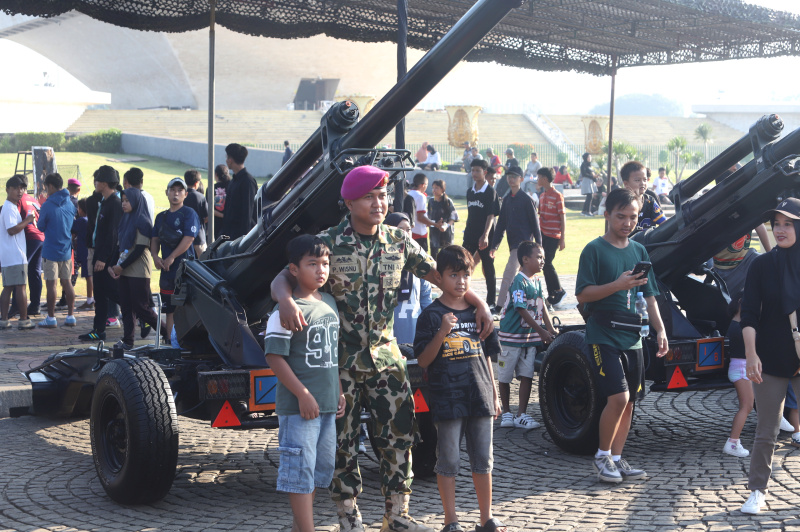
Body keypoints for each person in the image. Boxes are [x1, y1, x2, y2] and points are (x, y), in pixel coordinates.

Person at [272, 165, 493, 532]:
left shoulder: (399, 241)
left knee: (398, 438)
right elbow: (286, 274)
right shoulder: (330, 242)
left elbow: (443, 277)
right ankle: (349, 517)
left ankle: (397, 516)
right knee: (343, 443)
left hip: (387, 359)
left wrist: (480, 303)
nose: (379, 203)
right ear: (349, 202)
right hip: (340, 362)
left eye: (383, 195)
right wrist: (285, 300)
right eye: (369, 197)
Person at [576, 187, 669, 483]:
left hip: (633, 335)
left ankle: (616, 459)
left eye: (633, 217)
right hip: (602, 333)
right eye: (621, 216)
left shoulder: (639, 250)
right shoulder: (593, 249)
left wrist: (660, 330)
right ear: (607, 215)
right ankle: (602, 457)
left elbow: (650, 295)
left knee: (630, 402)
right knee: (618, 397)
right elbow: (582, 295)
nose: (627, 223)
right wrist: (617, 285)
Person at [414, 244, 505, 532]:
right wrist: (442, 331)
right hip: (447, 399)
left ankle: (486, 518)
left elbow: (487, 356)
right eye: (453, 275)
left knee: (483, 459)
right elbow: (423, 359)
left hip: (479, 396)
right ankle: (450, 520)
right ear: (439, 277)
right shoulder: (431, 315)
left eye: (466, 274)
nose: (461, 281)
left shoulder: (479, 313)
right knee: (449, 460)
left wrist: (494, 392)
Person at [263, 234, 345, 532]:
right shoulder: (286, 310)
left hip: (326, 406)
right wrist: (302, 394)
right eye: (312, 264)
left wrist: (337, 389)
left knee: (313, 474)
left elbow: (333, 353)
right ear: (293, 270)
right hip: (299, 408)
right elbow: (274, 357)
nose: (321, 270)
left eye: (325, 263)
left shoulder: (331, 303)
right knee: (298, 473)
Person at [739, 198, 800, 514]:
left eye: (788, 223)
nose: (780, 229)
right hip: (771, 358)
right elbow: (748, 315)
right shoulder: (762, 266)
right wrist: (751, 355)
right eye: (777, 224)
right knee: (767, 431)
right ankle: (757, 491)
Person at [497, 241, 556, 433]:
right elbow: (520, 309)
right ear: (525, 259)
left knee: (527, 374)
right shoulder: (518, 281)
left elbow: (542, 306)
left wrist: (550, 328)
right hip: (511, 337)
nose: (542, 261)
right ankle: (506, 411)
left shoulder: (537, 281)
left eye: (543, 258)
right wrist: (541, 331)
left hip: (529, 339)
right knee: (505, 377)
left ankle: (521, 414)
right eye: (538, 257)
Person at [106, 188, 161, 349]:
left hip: (138, 271)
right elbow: (119, 246)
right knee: (126, 307)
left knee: (142, 308)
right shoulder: (125, 220)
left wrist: (120, 267)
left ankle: (166, 332)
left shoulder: (143, 221)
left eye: (127, 200)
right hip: (124, 270)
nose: (123, 203)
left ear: (136, 201)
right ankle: (128, 340)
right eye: (122, 200)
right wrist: (112, 264)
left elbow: (139, 248)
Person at [151, 177, 199, 341]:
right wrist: (155, 256)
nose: (176, 193)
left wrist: (171, 257)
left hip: (185, 270)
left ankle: (185, 342)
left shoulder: (189, 213)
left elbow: (189, 238)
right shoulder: (161, 217)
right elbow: (155, 239)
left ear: (185, 194)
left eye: (179, 190)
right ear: (167, 192)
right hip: (167, 271)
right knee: (169, 309)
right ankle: (171, 342)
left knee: (185, 307)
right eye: (172, 190)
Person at [78, 166, 123, 342]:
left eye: (97, 181)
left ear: (103, 183)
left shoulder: (115, 203)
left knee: (112, 291)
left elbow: (112, 234)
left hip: (108, 256)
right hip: (99, 253)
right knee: (100, 294)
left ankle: (141, 314)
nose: (94, 183)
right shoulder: (104, 202)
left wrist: (103, 259)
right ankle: (98, 330)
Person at [490, 166, 542, 313]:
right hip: (513, 245)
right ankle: (523, 305)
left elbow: (535, 224)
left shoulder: (527, 200)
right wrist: (495, 245)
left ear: (521, 179)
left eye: (514, 176)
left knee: (509, 274)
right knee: (522, 279)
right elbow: (501, 225)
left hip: (524, 246)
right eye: (509, 176)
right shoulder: (506, 200)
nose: (511, 179)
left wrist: (539, 247)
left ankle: (499, 306)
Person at [385, 213, 433, 345]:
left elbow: (425, 299)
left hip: (413, 330)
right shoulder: (377, 263)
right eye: (400, 230)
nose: (405, 234)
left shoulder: (420, 262)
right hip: (387, 335)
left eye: (408, 230)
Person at [37, 173, 77, 328]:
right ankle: (71, 316)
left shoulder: (47, 205)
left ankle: (51, 318)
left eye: (47, 187)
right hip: (66, 249)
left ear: (51, 186)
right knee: (67, 283)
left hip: (50, 250)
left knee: (51, 284)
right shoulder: (70, 203)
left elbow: (40, 226)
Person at [0, 175, 36, 330]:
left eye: (22, 188)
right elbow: (12, 229)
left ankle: (4, 319)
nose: (19, 191)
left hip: (9, 254)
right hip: (15, 254)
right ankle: (23, 319)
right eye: (15, 188)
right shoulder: (9, 207)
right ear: (8, 189)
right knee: (20, 287)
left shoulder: (11, 206)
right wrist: (28, 220)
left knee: (8, 287)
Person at [464, 159, 498, 309]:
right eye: (473, 171)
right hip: (470, 234)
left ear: (484, 172)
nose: (475, 174)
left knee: (488, 267)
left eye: (478, 170)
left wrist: (485, 235)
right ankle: (463, 295)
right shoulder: (470, 191)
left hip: (485, 236)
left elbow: (491, 215)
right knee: (462, 263)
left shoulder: (490, 191)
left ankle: (491, 302)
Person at [723, 291, 753, 458]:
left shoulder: (736, 323)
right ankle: (733, 442)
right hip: (741, 369)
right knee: (746, 406)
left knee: (752, 404)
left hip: (742, 367)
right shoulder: (739, 327)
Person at [537, 167, 567, 306]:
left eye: (538, 177)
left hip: (553, 235)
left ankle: (558, 290)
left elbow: (562, 217)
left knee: (547, 262)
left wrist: (562, 239)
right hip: (543, 235)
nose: (537, 180)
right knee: (544, 264)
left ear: (544, 178)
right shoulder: (542, 196)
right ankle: (552, 294)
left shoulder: (557, 195)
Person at [222, 143, 258, 240]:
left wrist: (244, 239)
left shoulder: (247, 181)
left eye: (227, 157)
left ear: (230, 160)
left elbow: (248, 212)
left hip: (240, 237)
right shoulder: (233, 181)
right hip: (229, 234)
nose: (226, 160)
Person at [620, 161, 666, 234]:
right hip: (627, 243)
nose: (642, 183)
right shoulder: (620, 202)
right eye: (637, 180)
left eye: (644, 180)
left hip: (648, 243)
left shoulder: (650, 201)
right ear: (626, 184)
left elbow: (664, 223)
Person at [407, 173, 442, 252]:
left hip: (409, 232)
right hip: (419, 234)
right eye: (426, 185)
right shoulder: (420, 196)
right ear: (423, 185)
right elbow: (421, 217)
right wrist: (435, 224)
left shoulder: (407, 194)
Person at [427, 180, 458, 260]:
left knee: (448, 253)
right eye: (433, 188)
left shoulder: (448, 201)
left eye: (436, 188)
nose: (434, 190)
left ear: (442, 189)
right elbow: (428, 216)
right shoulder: (431, 201)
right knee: (434, 253)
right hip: (434, 231)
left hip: (446, 232)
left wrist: (446, 226)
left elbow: (453, 217)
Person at [72, 199, 93, 310]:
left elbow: (72, 232)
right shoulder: (92, 219)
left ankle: (90, 300)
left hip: (84, 252)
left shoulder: (80, 221)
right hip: (91, 251)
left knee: (88, 276)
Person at [183, 170, 210, 256]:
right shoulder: (200, 197)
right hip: (199, 235)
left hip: (183, 235)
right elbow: (207, 217)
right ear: (196, 183)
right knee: (204, 261)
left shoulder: (181, 196)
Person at [213, 164, 230, 240]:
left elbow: (209, 209)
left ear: (216, 174)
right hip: (231, 222)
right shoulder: (232, 186)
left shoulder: (212, 188)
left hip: (216, 223)